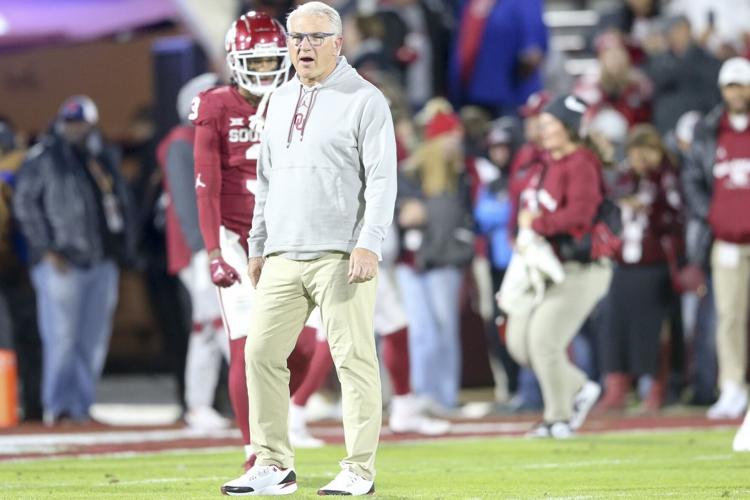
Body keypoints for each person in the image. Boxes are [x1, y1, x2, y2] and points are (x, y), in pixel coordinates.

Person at [220, 2, 397, 496]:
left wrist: (370, 243)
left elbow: (383, 180)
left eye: (315, 37)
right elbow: (266, 179)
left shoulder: (365, 99)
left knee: (353, 360)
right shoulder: (277, 99)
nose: (303, 46)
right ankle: (274, 463)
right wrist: (257, 244)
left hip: (341, 253)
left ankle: (359, 470)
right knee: (260, 354)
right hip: (282, 253)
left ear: (338, 43)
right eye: (296, 37)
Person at [190, 11, 319, 467]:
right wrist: (212, 252)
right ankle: (255, 452)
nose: (264, 71)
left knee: (304, 348)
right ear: (235, 60)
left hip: (291, 238)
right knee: (248, 346)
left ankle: (271, 421)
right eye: (255, 62)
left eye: (270, 61)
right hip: (234, 237)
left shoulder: (303, 101)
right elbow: (204, 185)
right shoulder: (215, 106)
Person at [13, 95, 134, 425]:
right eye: (69, 122)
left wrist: (122, 250)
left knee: (91, 341)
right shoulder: (44, 158)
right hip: (61, 260)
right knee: (61, 337)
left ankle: (81, 406)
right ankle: (59, 407)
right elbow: (24, 204)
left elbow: (118, 205)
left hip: (101, 260)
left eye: (80, 122)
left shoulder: (101, 159)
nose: (75, 128)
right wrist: (45, 248)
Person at [504, 94, 613, 439]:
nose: (542, 128)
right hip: (547, 265)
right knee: (519, 342)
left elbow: (579, 216)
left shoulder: (581, 162)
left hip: (582, 266)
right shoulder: (544, 162)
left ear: (567, 127)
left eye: (550, 123)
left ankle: (558, 418)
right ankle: (580, 387)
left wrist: (537, 225)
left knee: (543, 340)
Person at [157, 73, 231, 430]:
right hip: (201, 250)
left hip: (217, 245)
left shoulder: (213, 137)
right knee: (217, 322)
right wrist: (204, 249)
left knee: (213, 324)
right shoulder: (182, 141)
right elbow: (186, 203)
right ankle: (202, 403)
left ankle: (201, 404)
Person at [596, 125, 683, 414]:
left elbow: (677, 215)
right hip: (624, 264)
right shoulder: (624, 180)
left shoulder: (667, 179)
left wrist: (652, 209)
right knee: (615, 326)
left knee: (651, 330)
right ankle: (616, 388)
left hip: (653, 265)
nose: (639, 160)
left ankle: (654, 391)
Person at [682, 57, 750, 420]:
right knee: (728, 318)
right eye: (731, 86)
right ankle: (732, 387)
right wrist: (711, 214)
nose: (737, 93)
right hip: (726, 240)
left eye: (742, 85)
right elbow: (692, 178)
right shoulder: (709, 129)